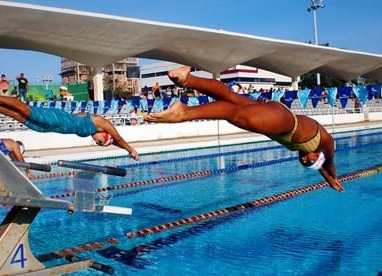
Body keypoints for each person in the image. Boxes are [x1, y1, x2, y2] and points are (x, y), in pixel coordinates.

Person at [146, 66, 343, 192]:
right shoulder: (326, 143)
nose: (304, 159)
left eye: (304, 163)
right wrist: (331, 177)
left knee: (230, 98)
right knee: (236, 115)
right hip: (286, 122)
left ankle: (187, 79)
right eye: (310, 160)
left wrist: (325, 178)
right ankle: (184, 113)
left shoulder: (309, 150)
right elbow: (329, 163)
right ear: (320, 156)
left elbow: (319, 164)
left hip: (274, 119)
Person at [0, 92, 139, 161]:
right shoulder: (102, 123)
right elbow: (118, 139)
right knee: (23, 108)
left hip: (52, 127)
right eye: (101, 143)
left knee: (16, 115)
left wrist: (124, 148)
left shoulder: (96, 131)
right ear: (105, 135)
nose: (97, 142)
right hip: (59, 120)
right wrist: (130, 149)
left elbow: (114, 141)